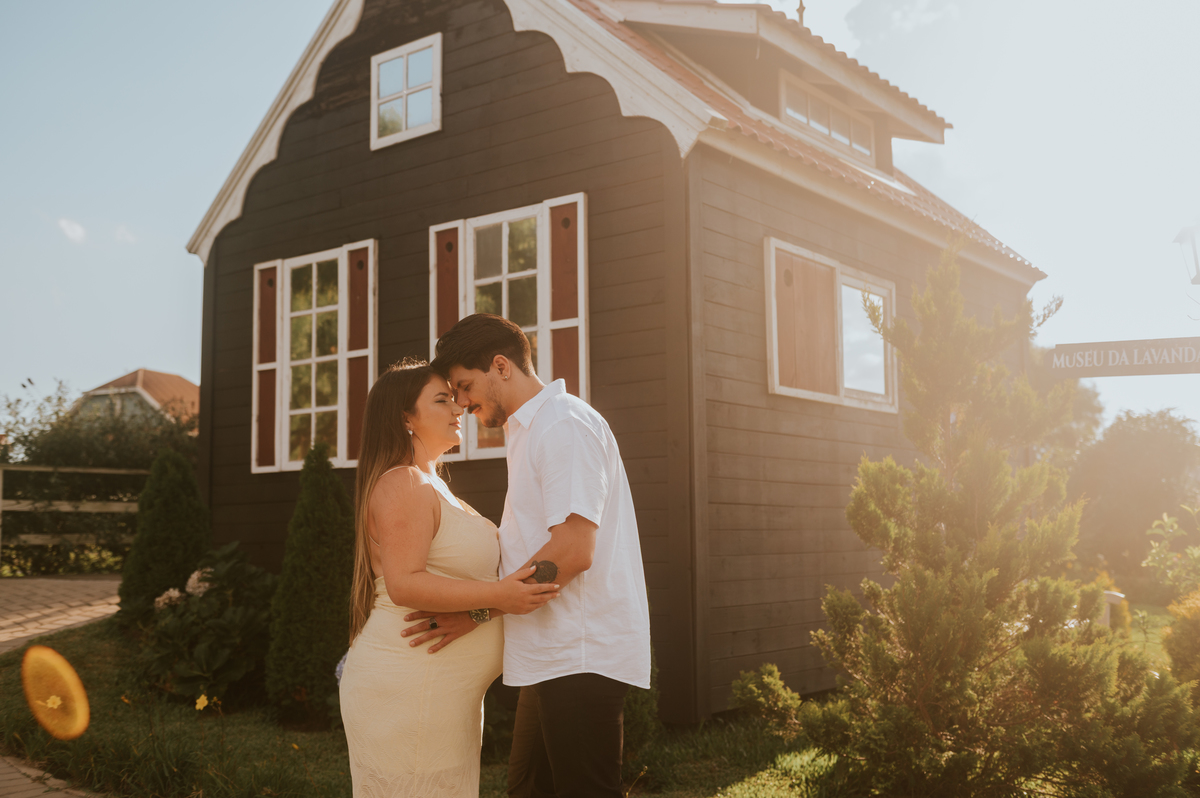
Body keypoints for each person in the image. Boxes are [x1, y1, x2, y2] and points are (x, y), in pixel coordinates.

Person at [408, 314, 651, 797]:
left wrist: (479, 611)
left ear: (501, 366)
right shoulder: (530, 430)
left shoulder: (563, 424)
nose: (461, 403)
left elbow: (573, 550)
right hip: (550, 654)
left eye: (464, 386)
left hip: (579, 654)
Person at [339, 358, 560, 798]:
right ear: (406, 418)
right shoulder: (404, 483)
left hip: (439, 694)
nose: (459, 407)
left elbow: (456, 592)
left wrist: (487, 608)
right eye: (442, 400)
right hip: (409, 687)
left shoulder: (433, 485)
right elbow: (405, 583)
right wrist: (500, 595)